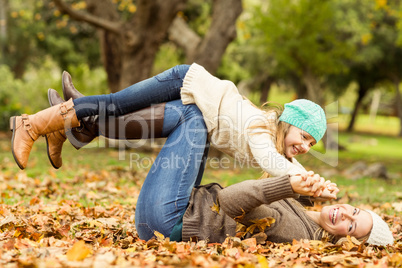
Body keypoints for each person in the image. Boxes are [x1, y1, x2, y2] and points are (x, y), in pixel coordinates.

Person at [10, 64, 326, 179]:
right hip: (184, 80)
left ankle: (67, 129)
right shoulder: (263, 127)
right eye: (305, 135)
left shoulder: (272, 139)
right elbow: (271, 162)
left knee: (124, 121)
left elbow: (276, 170)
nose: (305, 146)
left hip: (193, 108)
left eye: (312, 144)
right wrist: (309, 177)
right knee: (115, 104)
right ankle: (32, 124)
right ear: (288, 122)